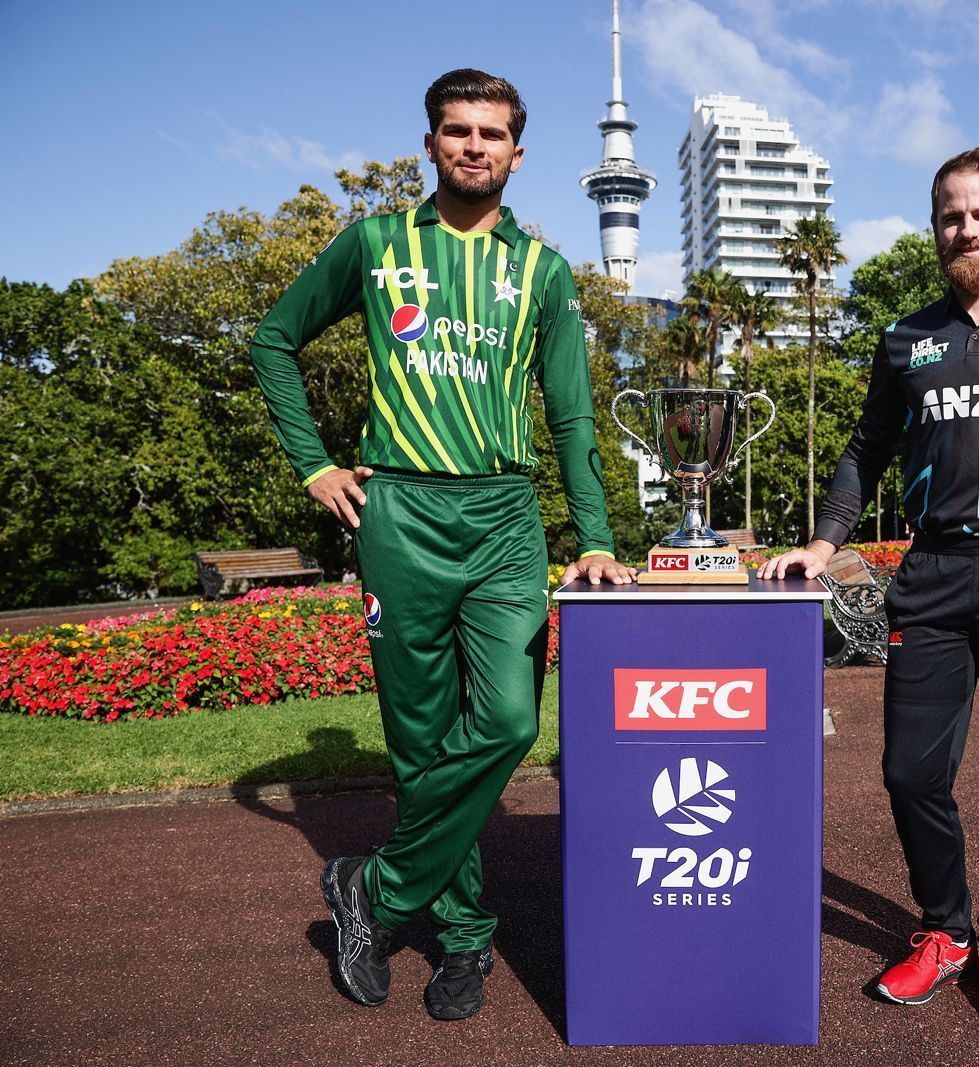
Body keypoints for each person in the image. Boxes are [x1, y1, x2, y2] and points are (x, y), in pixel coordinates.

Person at [249, 69, 635, 1021]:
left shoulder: (542, 270)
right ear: (430, 144)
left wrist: (593, 535)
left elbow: (573, 417)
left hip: (504, 517)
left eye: (491, 132)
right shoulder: (378, 244)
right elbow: (273, 338)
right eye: (456, 130)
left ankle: (370, 890)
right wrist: (314, 465)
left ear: (517, 152)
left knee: (505, 723)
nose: (473, 145)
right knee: (422, 749)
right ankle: (464, 940)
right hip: (401, 516)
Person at [758, 148, 979, 1024]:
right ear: (936, 228)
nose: (967, 229)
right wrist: (821, 540)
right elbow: (864, 449)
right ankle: (944, 929)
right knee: (909, 771)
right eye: (952, 216)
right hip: (931, 572)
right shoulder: (903, 339)